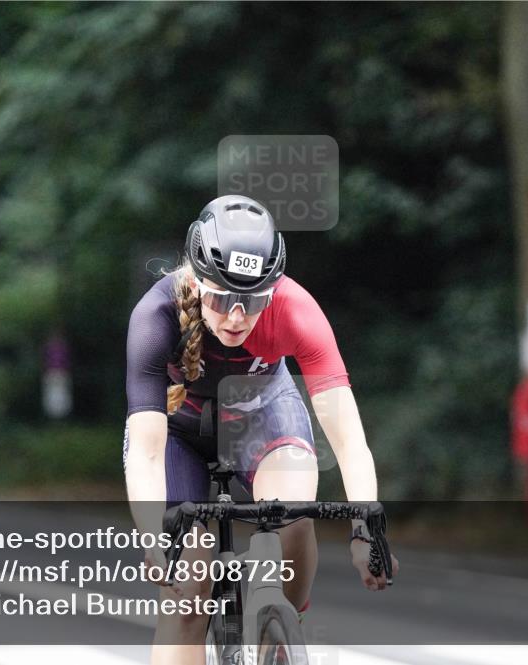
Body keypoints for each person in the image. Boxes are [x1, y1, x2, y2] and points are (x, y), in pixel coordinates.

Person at [124, 195, 398, 665]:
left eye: (252, 301)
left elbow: (350, 442)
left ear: (273, 290)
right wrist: (154, 539)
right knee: (188, 590)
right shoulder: (157, 316)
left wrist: (364, 530)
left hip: (262, 414)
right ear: (196, 278)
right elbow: (147, 452)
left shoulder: (296, 310)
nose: (236, 316)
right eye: (223, 297)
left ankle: (282, 626)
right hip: (178, 434)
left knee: (291, 517)